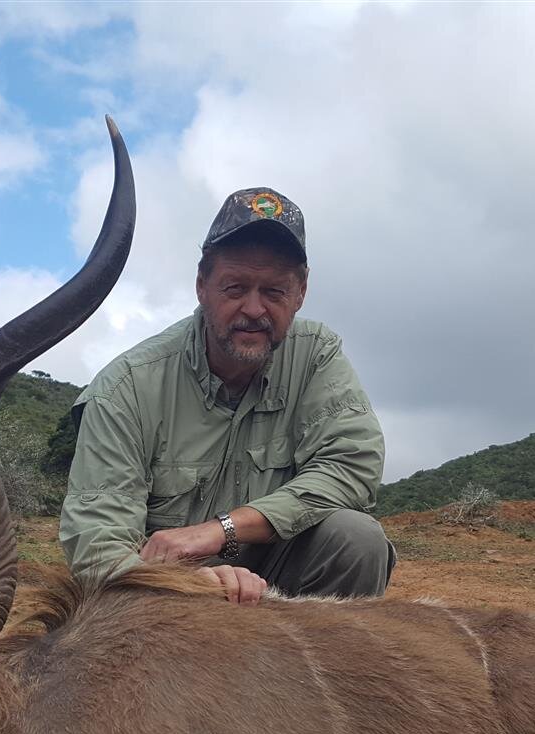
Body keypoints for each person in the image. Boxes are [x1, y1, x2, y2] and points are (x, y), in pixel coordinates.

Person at [59, 187, 392, 605]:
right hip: (174, 595)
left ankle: (325, 670)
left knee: (357, 539)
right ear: (202, 285)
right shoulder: (124, 389)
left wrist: (221, 530)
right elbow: (97, 547)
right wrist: (195, 582)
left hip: (279, 581)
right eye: (235, 288)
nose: (254, 309)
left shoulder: (316, 355)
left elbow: (352, 465)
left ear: (301, 292)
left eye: (274, 292)